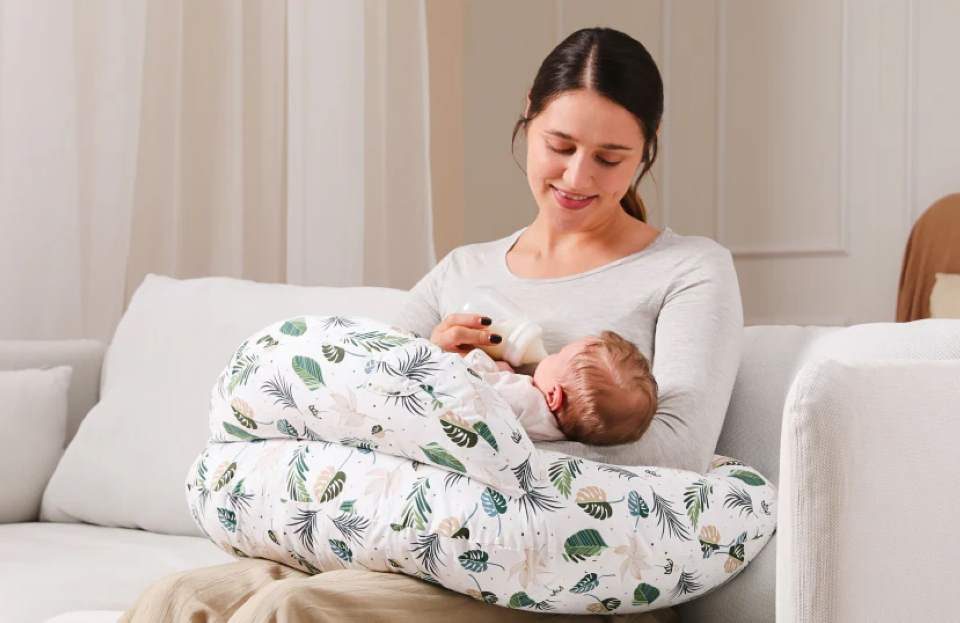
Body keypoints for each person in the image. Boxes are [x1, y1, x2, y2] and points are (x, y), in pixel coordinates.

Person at [123, 26, 739, 623]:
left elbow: (677, 449)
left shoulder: (687, 270)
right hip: (415, 535)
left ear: (647, 150)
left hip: (554, 569)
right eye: (560, 146)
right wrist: (428, 360)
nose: (578, 177)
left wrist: (491, 448)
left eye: (609, 158)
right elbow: (359, 395)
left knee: (293, 610)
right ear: (528, 119)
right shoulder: (462, 270)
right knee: (177, 599)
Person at [465, 329, 657, 445]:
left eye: (558, 354)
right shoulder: (555, 434)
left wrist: (493, 366)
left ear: (553, 396)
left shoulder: (523, 397)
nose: (550, 355)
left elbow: (467, 383)